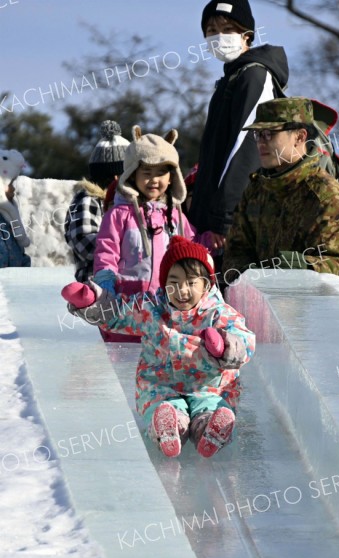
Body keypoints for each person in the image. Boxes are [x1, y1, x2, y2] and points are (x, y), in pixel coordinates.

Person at [65, 236, 255, 458]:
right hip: (161, 385)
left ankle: (211, 430)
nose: (182, 290)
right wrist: (93, 304)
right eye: (173, 282)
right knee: (160, 405)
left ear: (206, 283)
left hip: (208, 387)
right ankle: (167, 427)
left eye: (191, 282)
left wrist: (224, 347)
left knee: (212, 406)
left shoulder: (218, 313)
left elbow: (245, 340)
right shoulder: (152, 309)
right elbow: (118, 314)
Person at [189, 0, 289, 263]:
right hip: (212, 223)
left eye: (227, 29)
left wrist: (225, 218)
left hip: (233, 225)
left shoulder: (254, 76)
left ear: (247, 35)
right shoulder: (232, 79)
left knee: (234, 298)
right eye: (210, 30)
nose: (217, 36)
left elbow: (246, 148)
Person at [222, 97, 339, 281]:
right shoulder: (256, 190)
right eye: (258, 134)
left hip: (310, 306)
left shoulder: (326, 195)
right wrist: (249, 274)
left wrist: (287, 266)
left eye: (270, 133)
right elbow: (235, 252)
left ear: (300, 137)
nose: (261, 142)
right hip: (258, 303)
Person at [92, 126, 212, 298]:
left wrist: (212, 241)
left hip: (167, 302)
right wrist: (105, 283)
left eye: (161, 173)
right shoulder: (119, 215)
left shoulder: (175, 216)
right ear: (133, 174)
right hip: (127, 303)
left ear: (171, 178)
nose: (154, 180)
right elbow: (106, 251)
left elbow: (192, 246)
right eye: (147, 172)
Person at [64, 120, 130, 283]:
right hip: (96, 285)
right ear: (116, 177)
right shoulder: (88, 201)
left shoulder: (130, 202)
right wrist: (129, 243)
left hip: (128, 285)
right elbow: (85, 243)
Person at [0, 149, 31, 268]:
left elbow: (18, 252)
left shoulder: (10, 219)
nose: (13, 189)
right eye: (10, 184)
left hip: (12, 282)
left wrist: (24, 267)